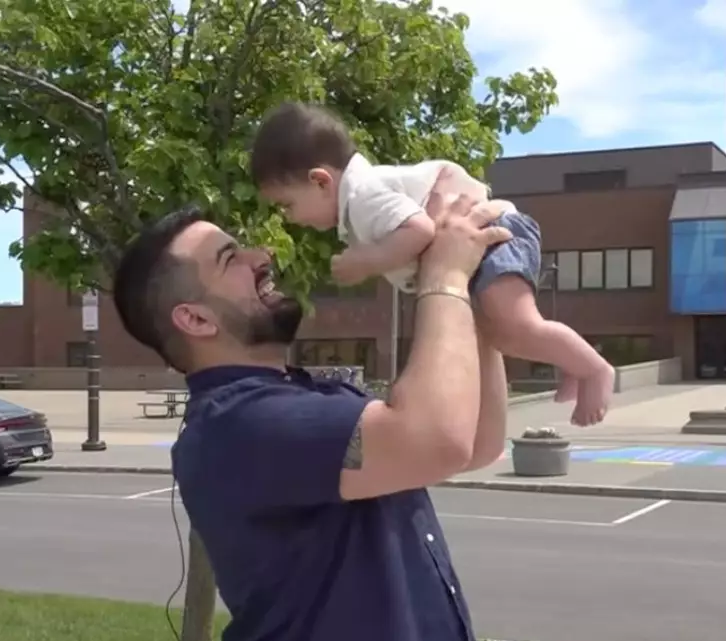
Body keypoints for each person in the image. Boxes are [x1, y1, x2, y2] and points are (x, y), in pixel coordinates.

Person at [110, 193, 510, 641]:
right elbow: (438, 439)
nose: (262, 255)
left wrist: (477, 304)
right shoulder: (241, 423)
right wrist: (444, 278)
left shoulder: (296, 399)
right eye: (230, 258)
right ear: (195, 319)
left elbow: (475, 441)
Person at [249, 101, 615, 426]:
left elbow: (420, 229)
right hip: (479, 246)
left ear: (320, 181)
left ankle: (596, 369)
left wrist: (369, 261)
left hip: (494, 234)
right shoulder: (359, 202)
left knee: (517, 324)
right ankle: (571, 363)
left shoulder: (363, 198)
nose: (289, 217)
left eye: (287, 204)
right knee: (503, 335)